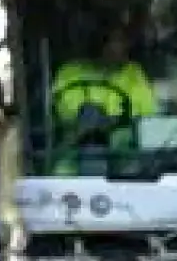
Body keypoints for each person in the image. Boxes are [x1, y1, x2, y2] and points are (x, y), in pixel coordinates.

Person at [50, 26, 158, 174]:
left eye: (121, 41)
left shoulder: (133, 71)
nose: (118, 47)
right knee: (59, 177)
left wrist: (113, 120)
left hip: (123, 150)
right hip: (77, 147)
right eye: (112, 42)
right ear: (98, 45)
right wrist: (94, 119)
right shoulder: (70, 71)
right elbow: (66, 107)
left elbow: (147, 109)